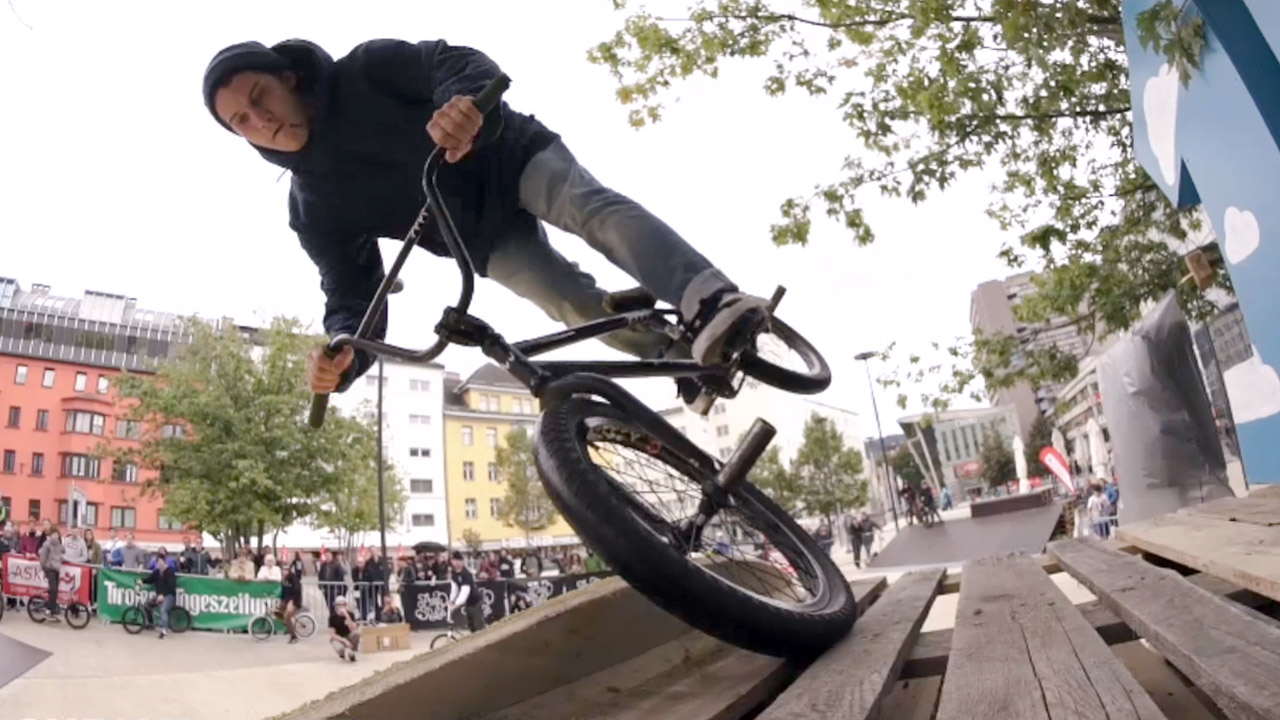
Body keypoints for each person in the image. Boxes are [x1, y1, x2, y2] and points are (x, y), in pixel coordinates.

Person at [202, 38, 776, 416]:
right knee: (566, 302)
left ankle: (710, 296)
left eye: (262, 96)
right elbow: (353, 291)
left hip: (506, 155)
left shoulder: (364, 70)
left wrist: (463, 105)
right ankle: (674, 356)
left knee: (586, 207)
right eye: (243, 121)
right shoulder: (312, 206)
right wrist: (347, 351)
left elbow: (452, 62)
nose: (263, 119)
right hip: (478, 234)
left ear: (290, 78)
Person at [139, 548, 178, 638]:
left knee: (163, 609)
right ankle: (151, 624)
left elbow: (171, 587)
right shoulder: (157, 572)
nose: (159, 564)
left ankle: (164, 631)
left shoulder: (170, 572)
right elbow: (150, 579)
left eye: (161, 562)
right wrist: (141, 581)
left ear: (165, 562)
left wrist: (163, 595)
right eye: (158, 563)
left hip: (169, 596)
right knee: (147, 605)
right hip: (159, 595)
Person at [447, 551, 485, 633]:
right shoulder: (454, 573)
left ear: (462, 561)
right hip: (468, 602)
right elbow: (454, 589)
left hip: (475, 601)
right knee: (471, 626)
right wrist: (450, 600)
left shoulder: (466, 574)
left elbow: (464, 592)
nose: (455, 563)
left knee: (478, 625)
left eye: (457, 561)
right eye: (453, 561)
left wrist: (456, 605)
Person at [36, 526, 64, 616]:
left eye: (56, 534)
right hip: (49, 568)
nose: (55, 536)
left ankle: (52, 607)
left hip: (57, 569)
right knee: (53, 589)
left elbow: (61, 554)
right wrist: (44, 568)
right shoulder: (47, 544)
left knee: (55, 590)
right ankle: (49, 609)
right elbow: (42, 558)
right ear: (50, 535)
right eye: (53, 534)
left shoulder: (59, 545)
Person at [328, 595, 360, 662]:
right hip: (338, 637)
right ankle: (342, 654)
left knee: (357, 633)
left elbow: (353, 629)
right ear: (336, 606)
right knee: (340, 649)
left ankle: (352, 651)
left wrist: (346, 615)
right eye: (339, 605)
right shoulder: (332, 617)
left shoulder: (351, 614)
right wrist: (344, 640)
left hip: (348, 635)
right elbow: (332, 634)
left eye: (343, 604)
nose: (342, 607)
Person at [278, 562, 304, 643]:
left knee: (286, 617)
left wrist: (292, 602)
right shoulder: (283, 579)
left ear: (289, 570)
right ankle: (288, 627)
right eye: (283, 570)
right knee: (278, 610)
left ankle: (293, 636)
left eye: (286, 570)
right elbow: (284, 591)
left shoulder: (294, 578)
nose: (284, 572)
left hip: (295, 601)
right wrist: (281, 599)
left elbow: (297, 591)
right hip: (286, 600)